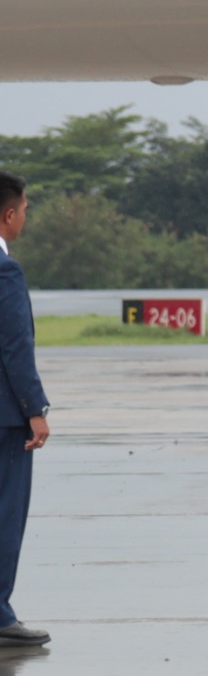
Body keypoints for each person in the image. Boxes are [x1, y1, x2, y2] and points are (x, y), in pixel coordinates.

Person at [0, 174, 51, 648]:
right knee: (5, 514)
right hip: (5, 417)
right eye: (26, 209)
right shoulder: (5, 271)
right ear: (8, 214)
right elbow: (15, 346)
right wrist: (34, 408)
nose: (26, 217)